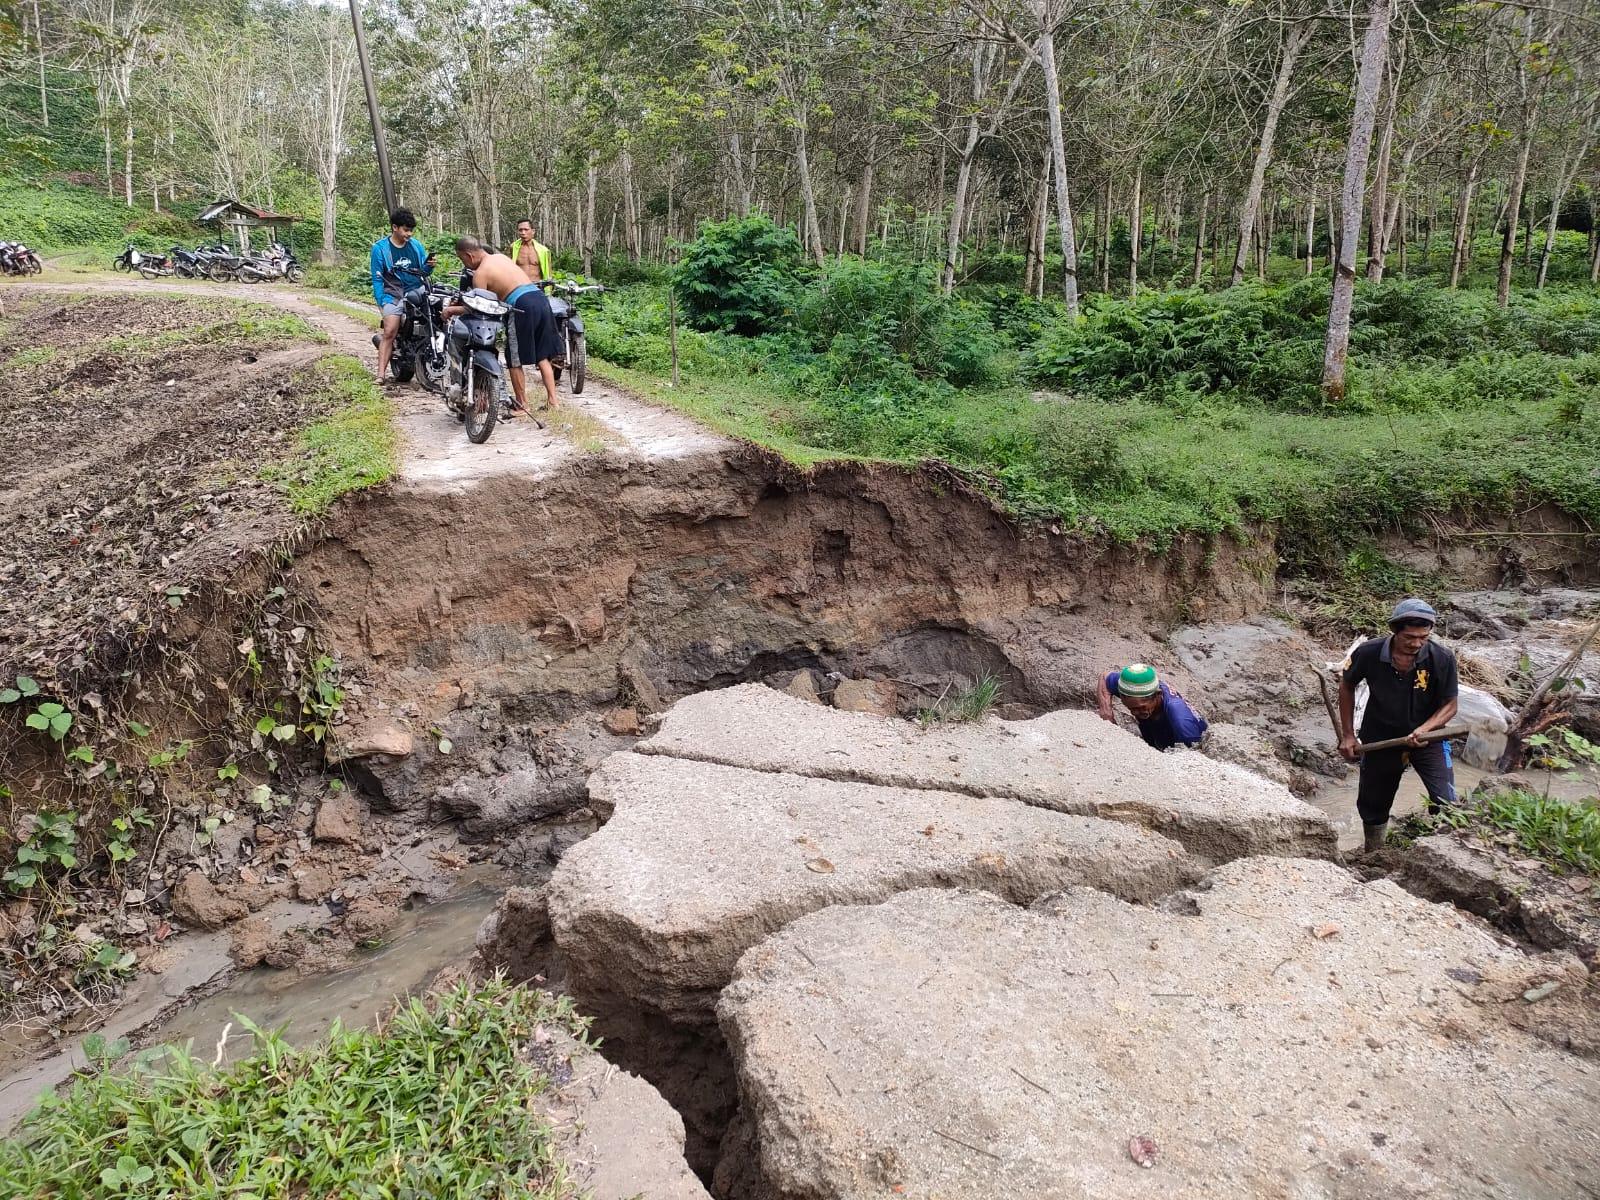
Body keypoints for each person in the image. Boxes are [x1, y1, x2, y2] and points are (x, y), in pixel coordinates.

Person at [1338, 598, 1460, 853]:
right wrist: (1348, 735)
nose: (1417, 643)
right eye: (1410, 637)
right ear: (1395, 631)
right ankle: (1374, 853)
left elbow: (1450, 705)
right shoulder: (1368, 653)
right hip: (1380, 739)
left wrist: (1426, 729)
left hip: (1429, 739)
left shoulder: (1442, 658)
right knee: (1373, 804)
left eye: (1423, 637)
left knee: (1446, 801)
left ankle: (1438, 853)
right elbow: (1347, 685)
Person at [450, 236, 560, 413]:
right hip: (539, 298)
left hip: (521, 304)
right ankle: (553, 401)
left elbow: (478, 309)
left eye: (463, 260)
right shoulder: (500, 257)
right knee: (542, 355)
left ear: (469, 255)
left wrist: (451, 311)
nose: (465, 265)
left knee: (513, 359)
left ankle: (522, 405)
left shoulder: (480, 274)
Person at [370, 208, 435, 385]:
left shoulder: (416, 246)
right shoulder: (380, 249)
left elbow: (423, 272)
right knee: (390, 330)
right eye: (406, 230)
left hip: (417, 289)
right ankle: (381, 374)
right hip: (393, 292)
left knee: (436, 319)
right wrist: (382, 300)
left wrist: (429, 266)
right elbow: (377, 278)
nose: (409, 234)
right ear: (395, 227)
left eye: (411, 230)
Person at [1096, 663, 1208, 750]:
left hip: (1179, 736)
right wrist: (1106, 713)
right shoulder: (1132, 686)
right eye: (1131, 708)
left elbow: (1195, 755)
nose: (1134, 713)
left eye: (1141, 708)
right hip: (1155, 729)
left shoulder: (1180, 720)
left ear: (1157, 695)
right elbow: (1105, 677)